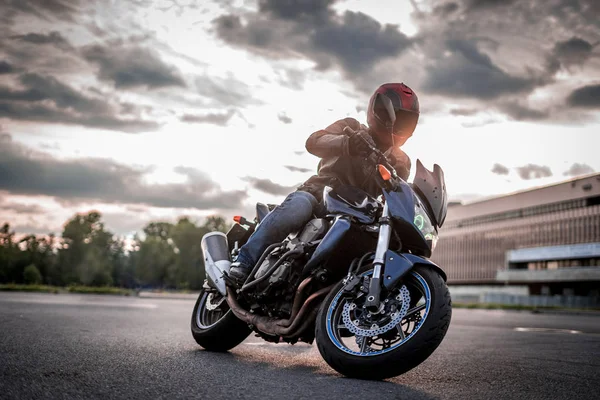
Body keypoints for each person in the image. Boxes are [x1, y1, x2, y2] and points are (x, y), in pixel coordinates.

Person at [227, 82, 420, 285]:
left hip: (360, 213)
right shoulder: (351, 128)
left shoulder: (401, 161)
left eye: (406, 120)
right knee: (297, 207)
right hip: (320, 194)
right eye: (397, 117)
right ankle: (244, 261)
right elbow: (314, 141)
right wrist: (346, 143)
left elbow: (397, 194)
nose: (399, 124)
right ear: (378, 112)